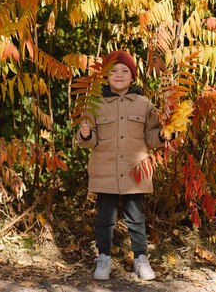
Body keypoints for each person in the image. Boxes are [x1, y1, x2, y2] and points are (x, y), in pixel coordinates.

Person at [76, 50, 171, 281]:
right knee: (105, 218)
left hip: (134, 172)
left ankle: (140, 258)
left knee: (136, 218)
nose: (119, 75)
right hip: (105, 171)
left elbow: (150, 137)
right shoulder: (94, 104)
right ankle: (104, 257)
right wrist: (86, 134)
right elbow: (88, 141)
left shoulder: (144, 105)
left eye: (125, 71)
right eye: (113, 71)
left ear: (133, 77)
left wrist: (165, 135)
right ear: (106, 76)